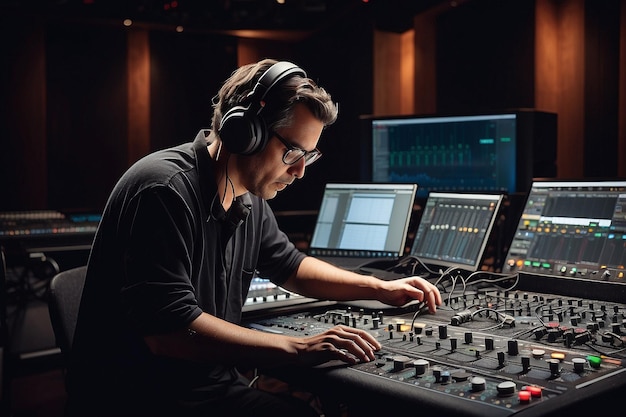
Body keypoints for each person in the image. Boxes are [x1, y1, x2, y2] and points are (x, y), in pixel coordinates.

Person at [67, 58, 443, 417]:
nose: (299, 171)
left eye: (308, 156)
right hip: (143, 400)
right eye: (292, 151)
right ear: (244, 132)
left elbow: (291, 266)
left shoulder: (246, 195)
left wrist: (378, 288)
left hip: (205, 387)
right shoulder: (163, 190)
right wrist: (298, 347)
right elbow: (168, 332)